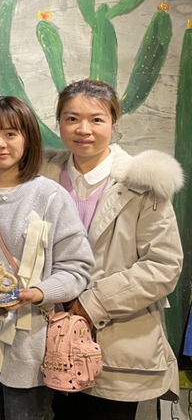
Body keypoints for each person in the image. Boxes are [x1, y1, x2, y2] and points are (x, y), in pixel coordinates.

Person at [43, 79, 183, 420]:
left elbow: (163, 266)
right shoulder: (42, 176)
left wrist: (92, 304)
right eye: (72, 118)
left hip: (116, 348)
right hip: (48, 340)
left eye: (96, 119)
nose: (83, 129)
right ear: (58, 122)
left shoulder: (144, 182)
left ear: (113, 123)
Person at [0, 95, 94, 420]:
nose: (0, 143)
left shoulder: (51, 196)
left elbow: (77, 268)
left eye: (11, 133)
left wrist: (39, 292)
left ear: (27, 138)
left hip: (29, 342)